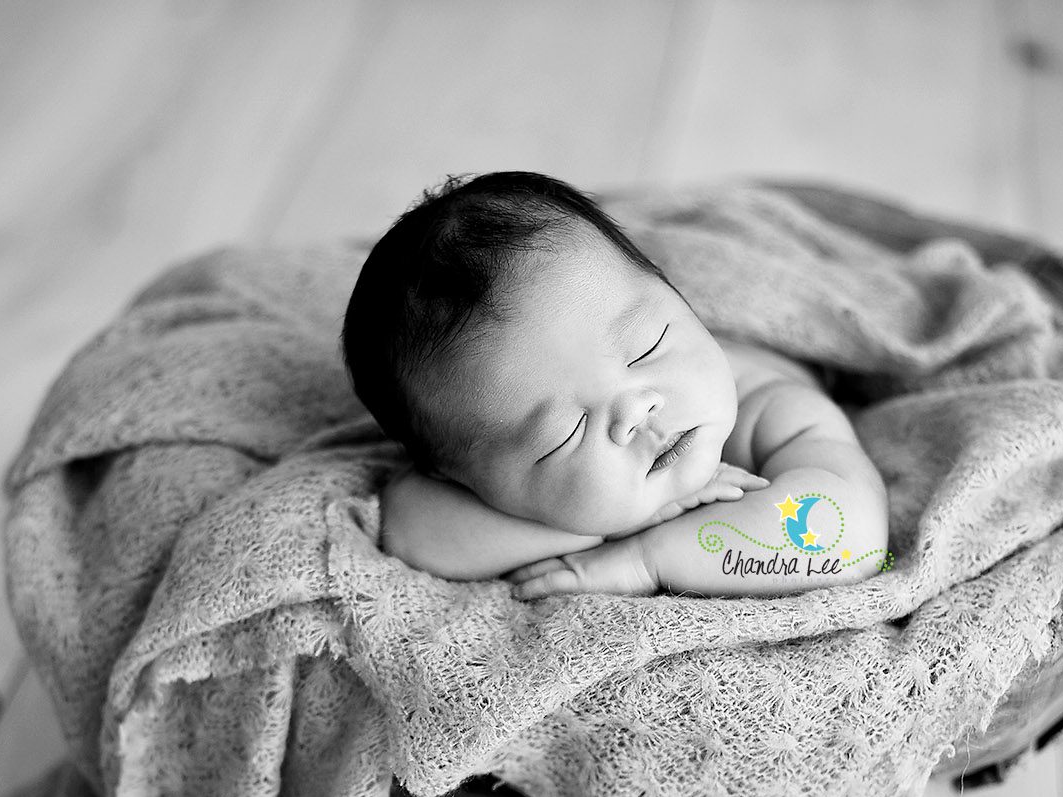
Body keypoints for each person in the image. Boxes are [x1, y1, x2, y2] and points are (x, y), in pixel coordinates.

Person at [342, 170, 891, 599]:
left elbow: (852, 537)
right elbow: (411, 532)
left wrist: (646, 556)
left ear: (677, 296)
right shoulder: (475, 477)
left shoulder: (769, 408)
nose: (636, 410)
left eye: (649, 345)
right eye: (565, 434)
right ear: (465, 481)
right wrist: (597, 526)